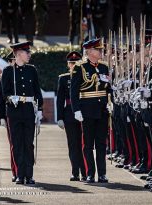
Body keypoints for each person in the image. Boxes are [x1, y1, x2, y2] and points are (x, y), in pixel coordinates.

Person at [0, 41, 43, 185]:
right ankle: (19, 174)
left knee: (28, 144)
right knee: (17, 144)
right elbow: (4, 92)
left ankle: (29, 175)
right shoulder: (7, 71)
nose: (29, 55)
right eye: (27, 52)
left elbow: (37, 91)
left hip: (29, 111)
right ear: (18, 54)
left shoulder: (32, 70)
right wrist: (10, 98)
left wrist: (40, 110)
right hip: (14, 111)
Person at [70, 38, 112, 183]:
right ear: (89, 51)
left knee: (101, 143)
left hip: (102, 110)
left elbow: (108, 88)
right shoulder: (79, 67)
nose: (101, 51)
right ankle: (89, 173)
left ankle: (102, 174)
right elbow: (73, 91)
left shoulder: (104, 67)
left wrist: (110, 102)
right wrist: (76, 109)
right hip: (86, 110)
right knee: (88, 144)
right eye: (98, 49)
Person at [57, 51, 87, 181]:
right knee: (73, 144)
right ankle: (75, 172)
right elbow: (60, 99)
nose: (73, 65)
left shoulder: (87, 76)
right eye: (71, 63)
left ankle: (86, 172)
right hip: (69, 114)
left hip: (85, 112)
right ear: (68, 64)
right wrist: (59, 117)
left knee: (85, 144)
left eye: (76, 63)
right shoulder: (63, 78)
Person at [0, 51, 18, 182]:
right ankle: (15, 171)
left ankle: (23, 171)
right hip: (9, 112)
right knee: (14, 143)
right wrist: (2, 116)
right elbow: (2, 98)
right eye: (13, 60)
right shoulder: (5, 74)